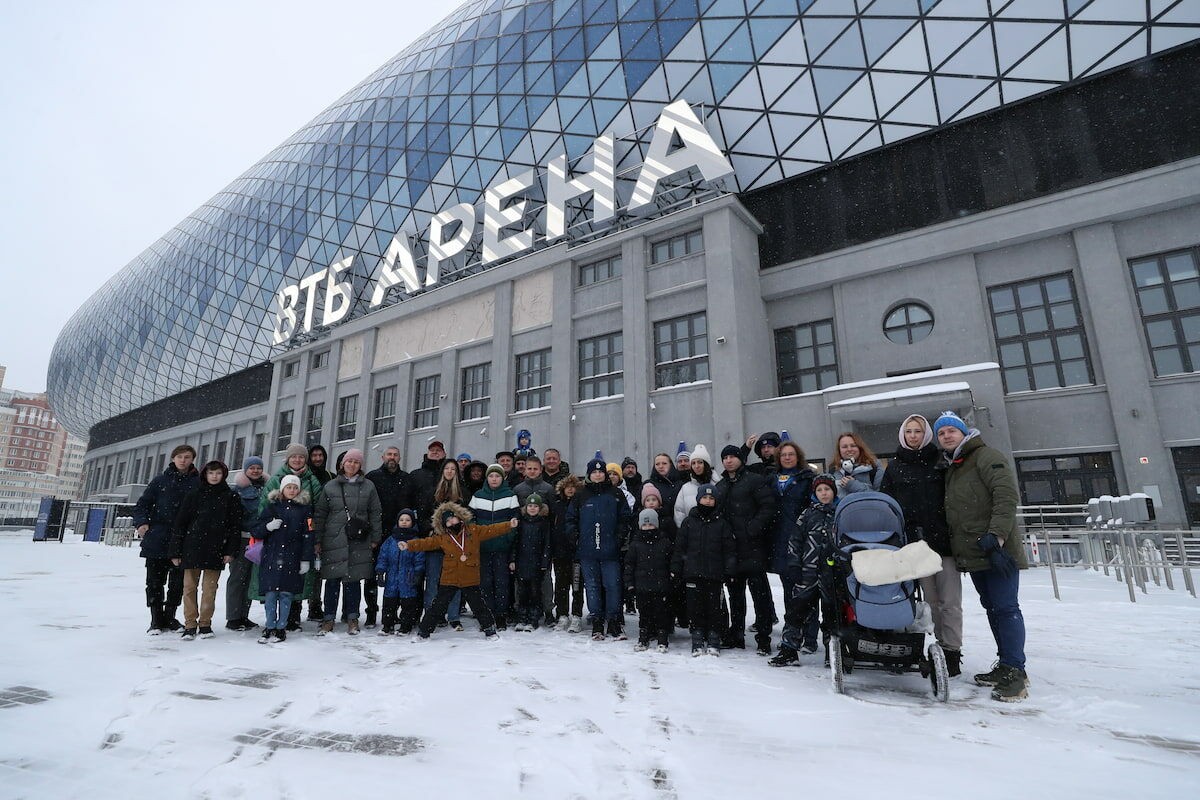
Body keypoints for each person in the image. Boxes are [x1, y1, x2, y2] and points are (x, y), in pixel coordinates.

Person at [935, 411, 1029, 702]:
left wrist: (997, 536)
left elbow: (1006, 495)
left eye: (952, 430)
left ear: (964, 433)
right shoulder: (954, 467)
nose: (947, 436)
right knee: (993, 608)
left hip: (996, 550)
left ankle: (1016, 671)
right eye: (941, 433)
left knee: (1006, 608)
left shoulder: (986, 456)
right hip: (976, 552)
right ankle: (1005, 664)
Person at [881, 414, 961, 677]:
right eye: (909, 431)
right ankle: (907, 649)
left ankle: (951, 651)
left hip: (943, 542)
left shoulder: (940, 461)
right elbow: (888, 505)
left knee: (950, 601)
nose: (913, 436)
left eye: (918, 431)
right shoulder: (894, 467)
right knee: (926, 601)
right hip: (913, 545)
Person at [401, 503, 520, 640]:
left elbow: (491, 529)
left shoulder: (473, 531)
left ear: (459, 518)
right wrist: (408, 545)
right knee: (438, 606)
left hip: (470, 577)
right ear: (444, 525)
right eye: (448, 521)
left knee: (479, 606)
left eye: (453, 518)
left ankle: (490, 630)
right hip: (450, 578)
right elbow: (426, 543)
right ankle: (424, 632)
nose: (451, 522)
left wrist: (508, 525)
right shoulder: (443, 538)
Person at [713, 445, 778, 654]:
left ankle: (763, 637)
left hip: (753, 547)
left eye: (733, 456)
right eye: (725, 457)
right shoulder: (721, 486)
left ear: (741, 459)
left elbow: (768, 506)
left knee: (760, 595)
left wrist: (752, 528)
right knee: (735, 594)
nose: (729, 460)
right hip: (732, 550)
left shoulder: (754, 480)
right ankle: (736, 634)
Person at [170, 460, 243, 640]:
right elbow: (180, 523)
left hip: (216, 548)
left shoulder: (230, 497)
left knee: (209, 589)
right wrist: (175, 551)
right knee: (189, 588)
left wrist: (230, 551)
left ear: (223, 475)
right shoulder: (193, 495)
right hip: (192, 547)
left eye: (218, 473)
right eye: (211, 473)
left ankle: (205, 623)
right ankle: (190, 624)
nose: (214, 476)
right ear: (205, 474)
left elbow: (235, 527)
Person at [770, 474, 837, 667]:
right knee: (796, 612)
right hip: (807, 573)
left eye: (827, 489)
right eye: (820, 490)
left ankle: (832, 652)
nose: (824, 493)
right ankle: (789, 649)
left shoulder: (840, 513)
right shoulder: (807, 514)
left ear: (833, 491)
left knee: (832, 614)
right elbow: (795, 541)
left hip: (831, 574)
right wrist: (794, 564)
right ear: (815, 493)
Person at [314, 449, 383, 636]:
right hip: (334, 539)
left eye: (356, 462)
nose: (352, 465)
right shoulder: (330, 486)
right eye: (349, 461)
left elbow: (375, 513)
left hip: (358, 539)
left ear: (360, 466)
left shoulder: (368, 486)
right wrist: (318, 539)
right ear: (342, 464)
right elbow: (320, 514)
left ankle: (352, 617)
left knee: (353, 581)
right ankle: (328, 618)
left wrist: (376, 538)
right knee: (332, 581)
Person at [134, 445, 200, 634]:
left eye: (187, 457)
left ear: (192, 459)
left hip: (184, 541)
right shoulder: (160, 481)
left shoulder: (197, 483)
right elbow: (143, 505)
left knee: (178, 582)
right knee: (154, 581)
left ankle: (170, 616)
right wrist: (142, 524)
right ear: (173, 459)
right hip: (158, 538)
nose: (183, 460)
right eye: (179, 456)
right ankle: (156, 619)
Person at [568, 458, 633, 641]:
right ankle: (597, 620)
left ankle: (613, 621)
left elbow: (625, 518)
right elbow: (570, 519)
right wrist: (576, 537)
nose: (598, 475)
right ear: (589, 474)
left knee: (612, 586)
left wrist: (618, 538)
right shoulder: (581, 495)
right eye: (594, 472)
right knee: (593, 586)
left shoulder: (616, 494)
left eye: (601, 472)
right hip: (587, 551)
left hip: (610, 550)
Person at [260, 443, 325, 629]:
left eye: (301, 457)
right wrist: (267, 527)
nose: (297, 460)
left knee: (296, 580)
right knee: (274, 584)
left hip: (298, 539)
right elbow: (264, 505)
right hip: (276, 541)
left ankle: (292, 617)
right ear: (288, 459)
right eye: (294, 457)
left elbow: (318, 509)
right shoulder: (275, 479)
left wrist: (314, 537)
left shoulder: (311, 480)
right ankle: (272, 621)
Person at [671, 485, 736, 657]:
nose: (708, 501)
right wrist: (676, 568)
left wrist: (729, 570)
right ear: (698, 499)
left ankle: (714, 636)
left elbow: (729, 549)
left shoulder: (722, 523)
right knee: (695, 607)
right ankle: (697, 636)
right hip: (692, 573)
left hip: (714, 574)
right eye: (705, 498)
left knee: (714, 607)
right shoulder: (689, 522)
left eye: (711, 498)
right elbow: (680, 548)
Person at [767, 441, 818, 653]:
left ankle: (811, 637)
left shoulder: (807, 479)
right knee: (788, 590)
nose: (787, 458)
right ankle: (791, 634)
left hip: (802, 540)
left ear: (798, 456)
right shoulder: (771, 480)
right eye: (783, 455)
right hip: (779, 541)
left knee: (807, 590)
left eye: (791, 454)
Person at [253, 474, 314, 644]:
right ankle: (270, 625)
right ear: (282, 489)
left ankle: (281, 627)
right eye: (289, 487)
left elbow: (309, 536)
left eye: (295, 487)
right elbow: (256, 530)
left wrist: (305, 559)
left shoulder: (305, 510)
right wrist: (268, 526)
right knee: (271, 594)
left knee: (286, 594)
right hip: (272, 557)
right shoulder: (272, 508)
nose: (292, 490)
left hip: (292, 558)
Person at [365, 445, 412, 626]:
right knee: (372, 574)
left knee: (397, 574)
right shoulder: (372, 478)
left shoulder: (406, 479)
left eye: (395, 455)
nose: (392, 457)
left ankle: (393, 612)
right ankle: (371, 612)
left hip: (399, 534)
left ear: (399, 458)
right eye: (389, 454)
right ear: (383, 457)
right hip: (376, 533)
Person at [470, 464, 520, 630]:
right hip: (483, 548)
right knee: (484, 583)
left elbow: (514, 521)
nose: (494, 479)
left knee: (502, 583)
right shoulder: (477, 496)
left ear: (502, 478)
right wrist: (477, 538)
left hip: (501, 549)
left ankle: (501, 616)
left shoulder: (510, 496)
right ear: (487, 478)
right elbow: (471, 520)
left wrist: (506, 539)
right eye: (491, 476)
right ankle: (487, 615)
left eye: (497, 476)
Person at [625, 509, 673, 653]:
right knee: (644, 613)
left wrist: (671, 579)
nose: (648, 528)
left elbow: (671, 562)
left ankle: (662, 638)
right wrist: (630, 583)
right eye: (645, 526)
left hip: (660, 586)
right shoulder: (635, 544)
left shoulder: (664, 542)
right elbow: (629, 565)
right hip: (642, 586)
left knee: (661, 613)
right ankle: (643, 637)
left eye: (651, 525)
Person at [227, 456, 266, 632]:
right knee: (237, 578)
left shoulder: (267, 488)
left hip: (261, 539)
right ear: (245, 470)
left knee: (250, 579)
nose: (255, 471)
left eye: (258, 468)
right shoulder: (238, 491)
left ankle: (244, 614)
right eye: (252, 468)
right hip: (243, 539)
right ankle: (233, 617)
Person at [374, 509, 426, 635]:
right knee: (389, 603)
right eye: (401, 520)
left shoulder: (415, 541)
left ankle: (406, 626)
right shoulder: (390, 540)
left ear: (412, 523)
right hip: (392, 576)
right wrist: (380, 572)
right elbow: (383, 557)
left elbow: (420, 559)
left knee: (408, 604)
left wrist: (419, 573)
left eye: (407, 520)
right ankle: (387, 625)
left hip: (408, 576)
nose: (404, 522)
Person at [549, 475, 585, 631]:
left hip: (577, 552)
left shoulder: (582, 504)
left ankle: (577, 615)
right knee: (561, 585)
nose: (570, 489)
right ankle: (562, 614)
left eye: (573, 486)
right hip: (560, 551)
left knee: (577, 585)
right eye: (567, 486)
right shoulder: (557, 505)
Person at [511, 494, 552, 631]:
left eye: (535, 506)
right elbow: (515, 543)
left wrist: (545, 561)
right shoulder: (521, 522)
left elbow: (547, 544)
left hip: (536, 563)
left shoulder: (544, 523)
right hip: (522, 562)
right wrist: (512, 559)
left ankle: (533, 618)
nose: (532, 508)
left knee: (535, 592)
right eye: (530, 506)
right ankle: (522, 617)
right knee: (522, 592)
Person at [673, 445, 716, 526]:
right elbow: (679, 512)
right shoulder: (685, 488)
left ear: (706, 464)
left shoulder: (717, 484)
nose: (696, 466)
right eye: (693, 463)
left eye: (700, 462)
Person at [831, 432, 884, 498]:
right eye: (844, 447)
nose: (849, 449)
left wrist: (853, 485)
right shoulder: (833, 471)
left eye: (853, 446)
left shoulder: (874, 467)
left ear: (860, 448)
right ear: (839, 450)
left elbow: (881, 497)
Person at [646, 453, 682, 518]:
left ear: (670, 465)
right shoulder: (648, 485)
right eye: (657, 464)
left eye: (664, 463)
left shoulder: (680, 484)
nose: (661, 466)